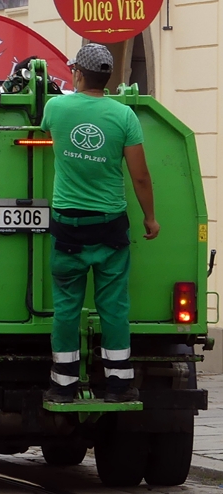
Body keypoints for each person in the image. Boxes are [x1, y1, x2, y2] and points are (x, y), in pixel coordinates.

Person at [41, 43, 160, 404]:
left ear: (78, 73)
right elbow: (140, 176)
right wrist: (150, 218)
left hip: (68, 226)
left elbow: (47, 134)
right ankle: (119, 386)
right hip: (110, 226)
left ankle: (63, 387)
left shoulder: (56, 108)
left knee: (66, 307)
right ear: (107, 79)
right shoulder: (124, 116)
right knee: (114, 306)